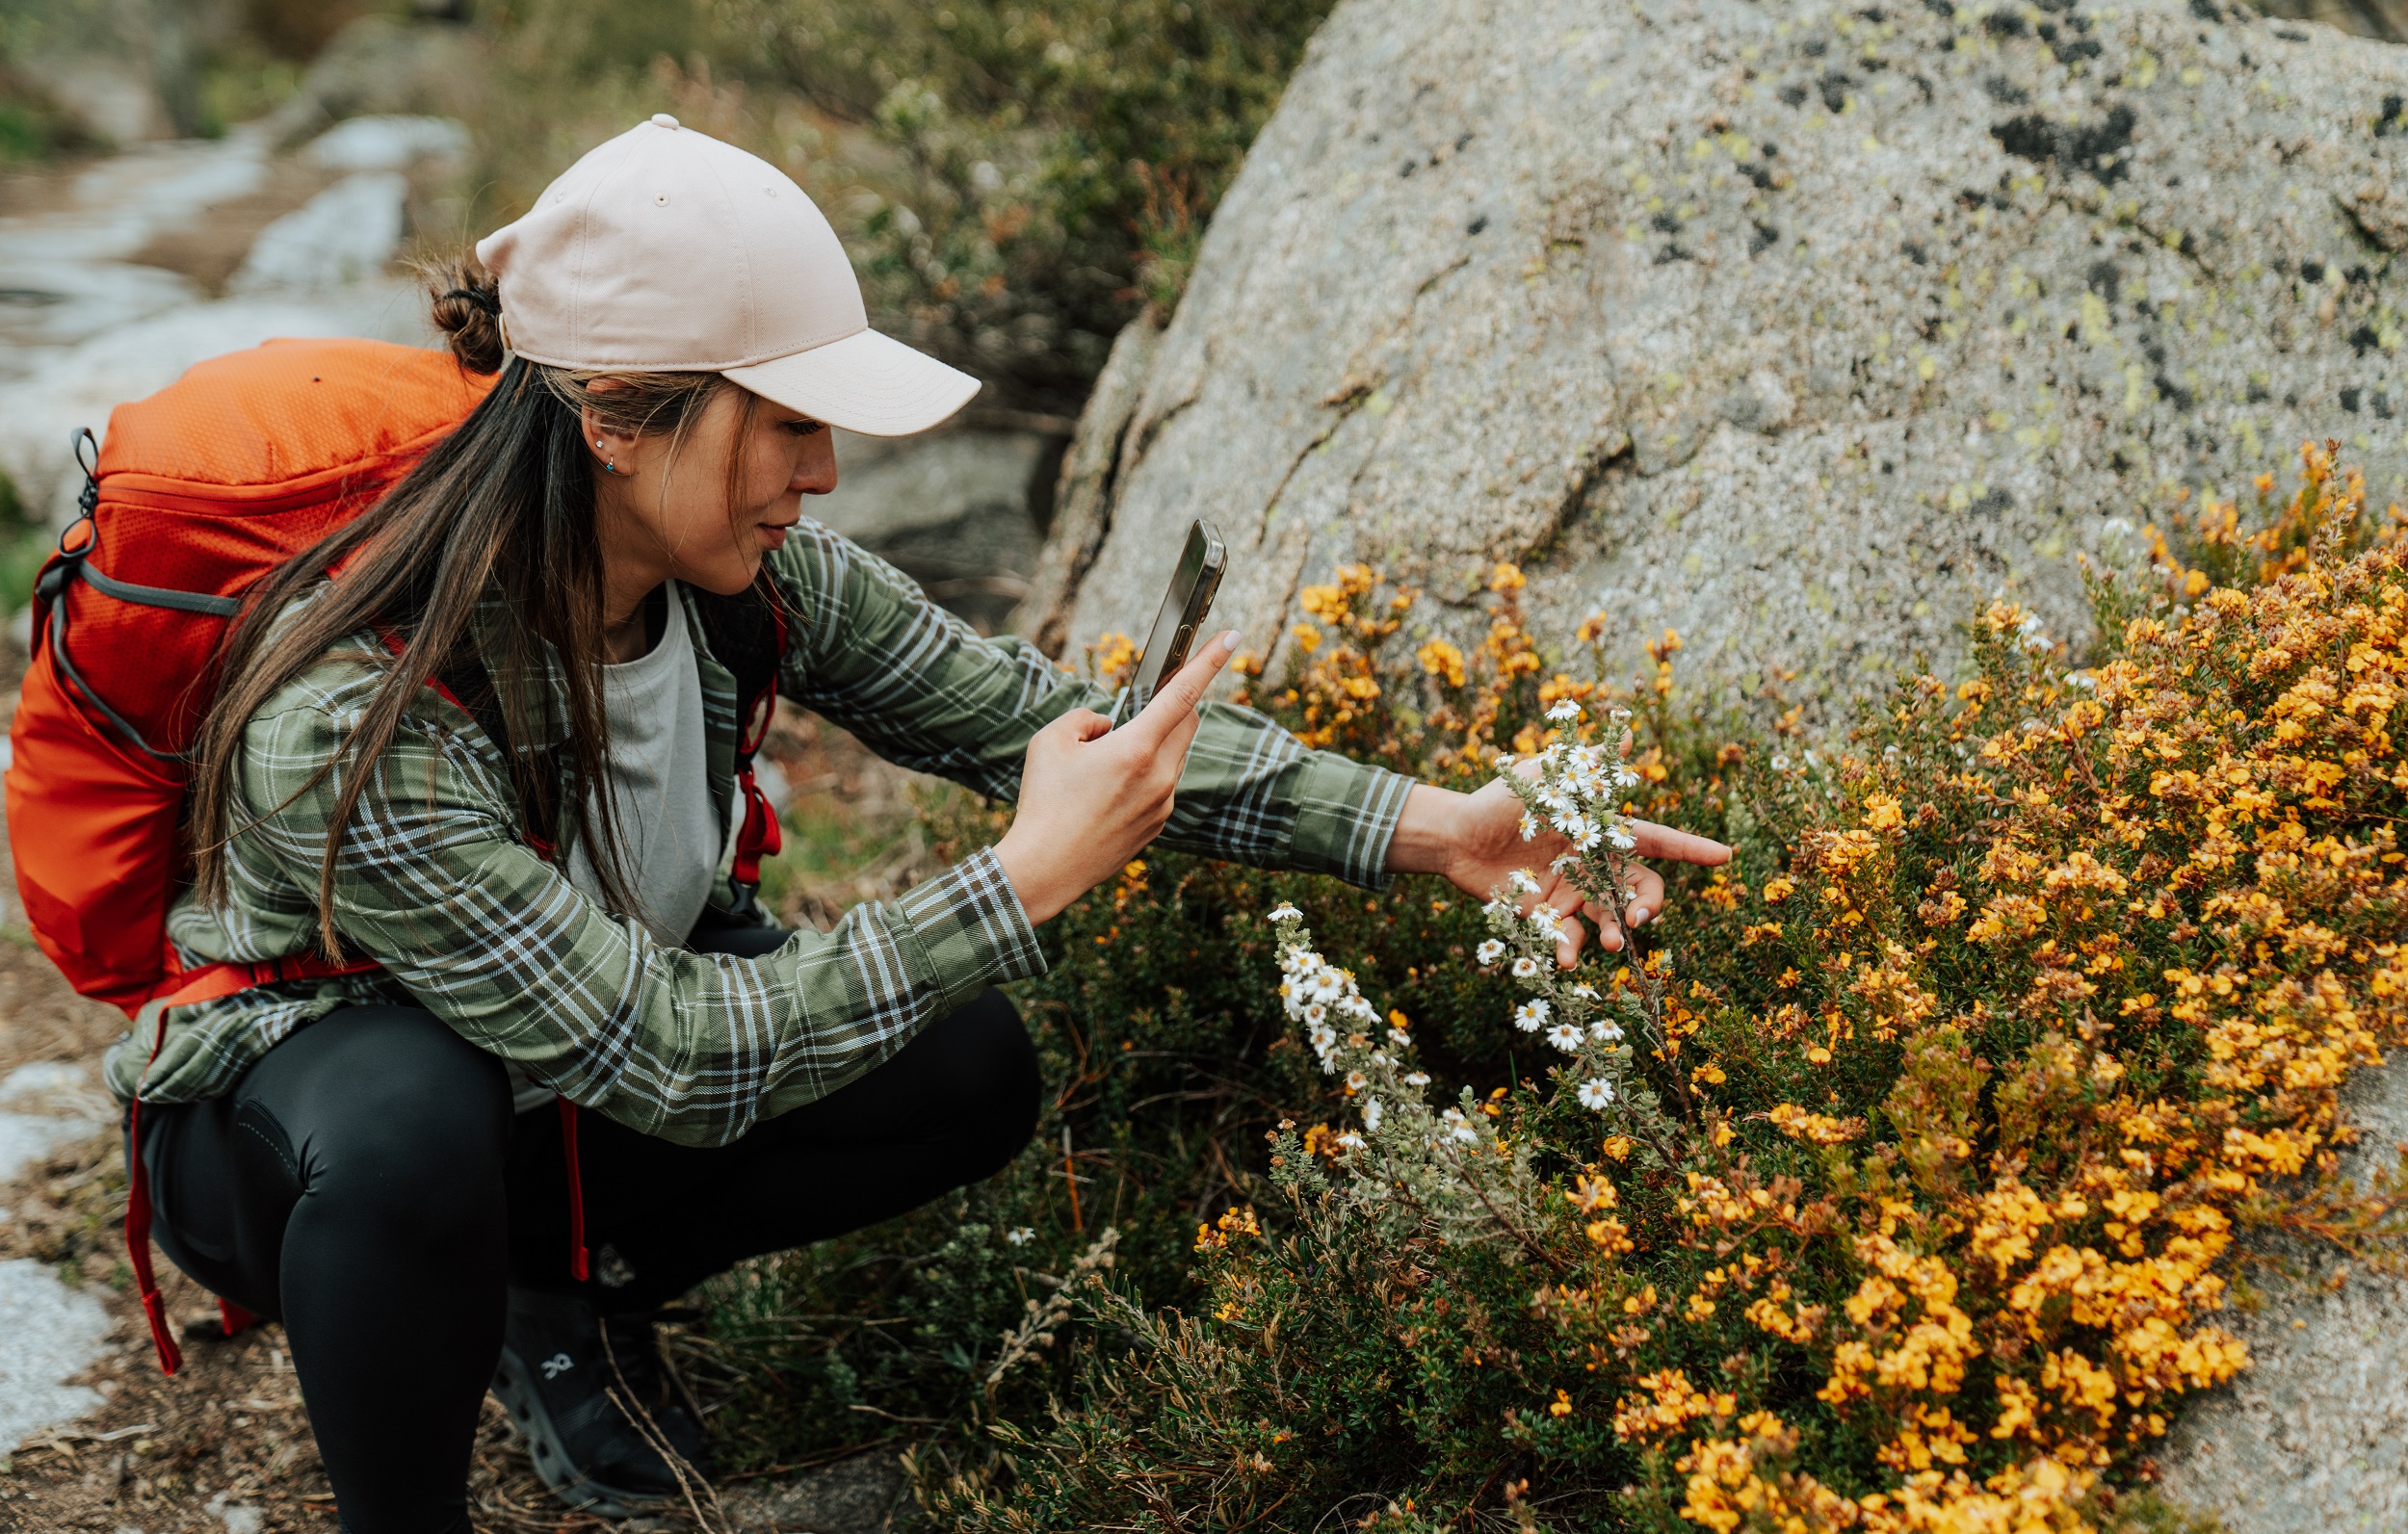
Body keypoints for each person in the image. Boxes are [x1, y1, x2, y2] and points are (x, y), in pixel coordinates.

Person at [106, 117, 1730, 1532]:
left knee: (965, 1069)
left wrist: (1435, 828)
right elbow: (671, 1048)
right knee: (408, 1116)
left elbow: (1037, 723)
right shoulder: (359, 714)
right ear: (613, 415)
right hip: (297, 1130)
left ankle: (564, 1290)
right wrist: (1019, 880)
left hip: (566, 1084)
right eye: (785, 422)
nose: (821, 472)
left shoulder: (757, 579)